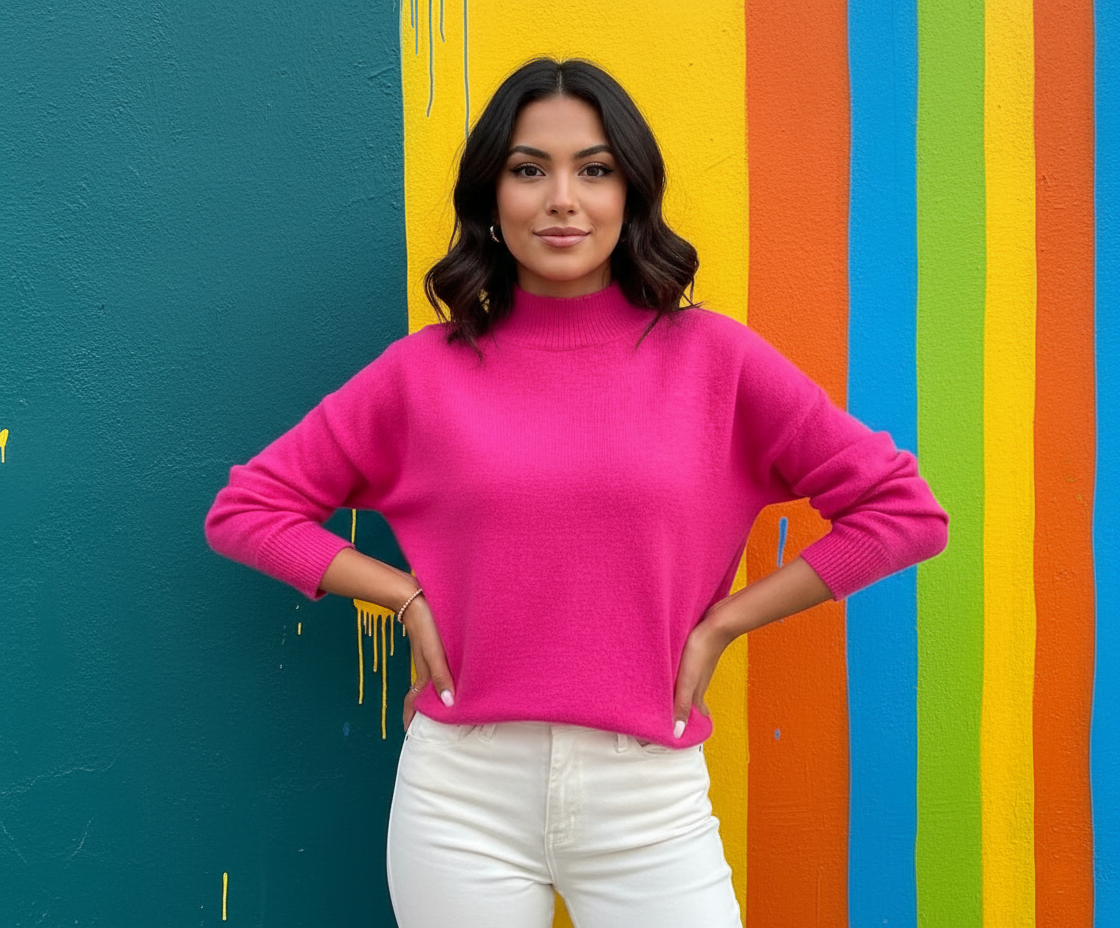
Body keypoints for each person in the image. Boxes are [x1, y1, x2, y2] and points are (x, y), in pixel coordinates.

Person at [205, 57, 948, 928]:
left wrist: (724, 622)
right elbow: (246, 512)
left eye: (594, 170)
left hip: (649, 791)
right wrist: (401, 595)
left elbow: (904, 514)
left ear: (631, 194)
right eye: (530, 170)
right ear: (491, 197)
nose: (564, 198)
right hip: (461, 790)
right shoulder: (422, 374)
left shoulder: (713, 360)